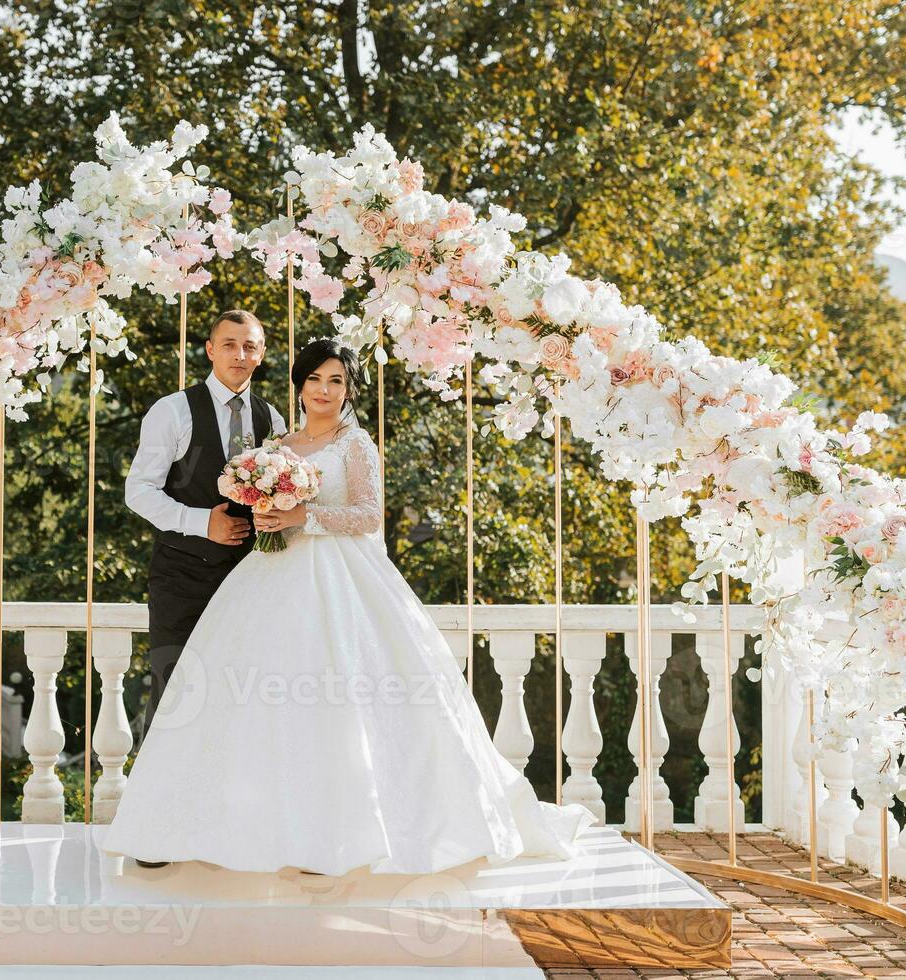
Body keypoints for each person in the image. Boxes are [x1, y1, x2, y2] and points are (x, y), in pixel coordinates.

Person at [101, 337, 596, 876]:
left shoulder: (355, 444)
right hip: (269, 580)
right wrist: (268, 514)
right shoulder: (276, 445)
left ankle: (337, 836)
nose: (324, 390)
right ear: (299, 384)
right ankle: (219, 829)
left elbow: (368, 514)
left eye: (336, 381)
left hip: (340, 582)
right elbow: (259, 505)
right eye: (315, 379)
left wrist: (303, 518)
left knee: (334, 699)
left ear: (348, 389)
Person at [124, 309, 287, 753]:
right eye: (230, 344)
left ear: (261, 355)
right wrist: (201, 523)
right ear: (211, 350)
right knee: (177, 694)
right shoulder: (173, 410)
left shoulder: (272, 419)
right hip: (183, 577)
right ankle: (158, 811)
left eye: (249, 346)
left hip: (251, 580)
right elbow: (138, 491)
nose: (239, 354)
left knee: (241, 694)